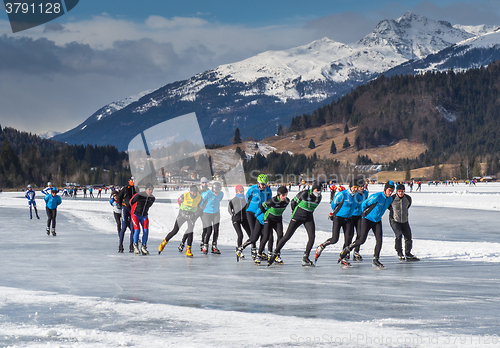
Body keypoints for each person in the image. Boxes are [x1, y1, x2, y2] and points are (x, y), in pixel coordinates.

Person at [339, 181, 395, 269]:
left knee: (379, 240)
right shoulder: (376, 196)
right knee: (361, 240)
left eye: (392, 191)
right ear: (385, 189)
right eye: (389, 190)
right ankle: (348, 248)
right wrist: (363, 214)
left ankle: (375, 260)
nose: (390, 192)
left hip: (377, 221)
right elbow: (364, 204)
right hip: (367, 219)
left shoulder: (390, 199)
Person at [268, 181, 322, 267]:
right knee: (287, 236)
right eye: (317, 189)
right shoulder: (304, 193)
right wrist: (293, 212)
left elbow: (312, 208)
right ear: (313, 189)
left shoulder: (319, 197)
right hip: (297, 217)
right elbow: (293, 202)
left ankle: (305, 257)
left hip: (308, 217)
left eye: (320, 190)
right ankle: (275, 253)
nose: (319, 191)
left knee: (312, 236)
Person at [239, 185, 290, 264]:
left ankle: (277, 254)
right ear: (279, 194)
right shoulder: (271, 201)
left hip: (277, 220)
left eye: (286, 195)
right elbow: (261, 207)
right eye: (283, 195)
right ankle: (258, 255)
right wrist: (258, 216)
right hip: (268, 219)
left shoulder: (287, 201)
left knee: (280, 235)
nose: (285, 197)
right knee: (265, 237)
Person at [314, 184, 358, 267]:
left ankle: (343, 257)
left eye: (357, 187)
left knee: (348, 238)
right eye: (354, 187)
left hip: (348, 218)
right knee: (334, 239)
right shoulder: (342, 194)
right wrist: (336, 213)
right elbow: (333, 204)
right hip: (338, 218)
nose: (355, 189)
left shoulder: (357, 196)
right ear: (350, 186)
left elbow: (357, 206)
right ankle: (321, 246)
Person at [159, 185, 202, 257]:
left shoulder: (199, 197)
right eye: (194, 192)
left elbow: (199, 204)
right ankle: (164, 242)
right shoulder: (184, 196)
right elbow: (179, 201)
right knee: (175, 230)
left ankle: (188, 249)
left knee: (190, 232)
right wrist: (181, 209)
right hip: (182, 214)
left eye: (196, 192)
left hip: (191, 215)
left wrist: (196, 211)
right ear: (190, 192)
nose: (195, 194)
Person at [389, 184, 419, 261]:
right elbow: (389, 207)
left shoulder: (408, 198)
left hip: (404, 220)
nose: (401, 193)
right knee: (398, 235)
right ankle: (399, 252)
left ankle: (408, 253)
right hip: (394, 220)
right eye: (399, 191)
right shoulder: (392, 198)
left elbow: (407, 206)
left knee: (408, 237)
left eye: (402, 191)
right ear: (396, 191)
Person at [245, 174, 272, 259]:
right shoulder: (252, 188)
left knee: (263, 232)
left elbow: (269, 200)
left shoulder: (268, 190)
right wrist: (251, 206)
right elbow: (247, 197)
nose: (264, 186)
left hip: (261, 212)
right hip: (251, 211)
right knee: (254, 232)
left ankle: (261, 250)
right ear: (259, 183)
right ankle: (253, 249)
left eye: (265, 184)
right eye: (262, 184)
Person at [130, 183, 156, 255]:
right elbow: (131, 202)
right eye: (149, 189)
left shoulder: (152, 198)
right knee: (137, 229)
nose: (150, 191)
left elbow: (149, 206)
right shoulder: (139, 195)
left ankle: (143, 246)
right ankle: (135, 246)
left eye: (152, 190)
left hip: (144, 216)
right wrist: (134, 210)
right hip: (135, 215)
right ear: (146, 189)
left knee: (146, 230)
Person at [228, 185, 252, 260]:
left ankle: (253, 249)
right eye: (239, 191)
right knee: (240, 235)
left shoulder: (245, 200)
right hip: (236, 220)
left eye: (242, 191)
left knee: (251, 235)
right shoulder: (233, 200)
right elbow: (229, 209)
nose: (241, 193)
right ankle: (239, 249)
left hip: (244, 219)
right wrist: (233, 215)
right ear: (236, 192)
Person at [200, 182, 224, 254]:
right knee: (209, 230)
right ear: (213, 189)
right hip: (207, 213)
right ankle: (205, 245)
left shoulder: (221, 194)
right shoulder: (207, 193)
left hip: (216, 213)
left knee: (216, 229)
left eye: (218, 191)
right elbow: (201, 202)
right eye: (215, 191)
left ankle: (214, 246)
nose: (216, 193)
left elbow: (219, 200)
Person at [348, 185, 369, 261]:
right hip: (351, 215)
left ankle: (356, 251)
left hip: (360, 216)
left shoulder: (366, 193)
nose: (362, 188)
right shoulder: (354, 193)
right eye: (360, 186)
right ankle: (346, 251)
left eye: (363, 186)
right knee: (350, 235)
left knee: (360, 235)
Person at [117, 177, 137, 252]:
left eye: (134, 180)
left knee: (133, 228)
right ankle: (120, 244)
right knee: (124, 227)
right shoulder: (125, 188)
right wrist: (120, 205)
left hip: (132, 209)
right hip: (125, 208)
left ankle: (131, 245)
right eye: (132, 180)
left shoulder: (135, 189)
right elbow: (119, 197)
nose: (133, 181)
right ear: (129, 181)